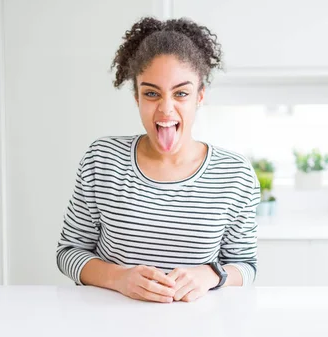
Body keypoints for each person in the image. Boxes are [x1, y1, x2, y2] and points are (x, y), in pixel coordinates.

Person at [56, 16, 260, 303]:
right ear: (136, 97)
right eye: (151, 93)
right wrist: (120, 279)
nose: (166, 109)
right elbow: (69, 252)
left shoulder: (235, 174)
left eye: (181, 93)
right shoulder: (102, 160)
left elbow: (246, 266)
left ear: (200, 96)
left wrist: (211, 275)